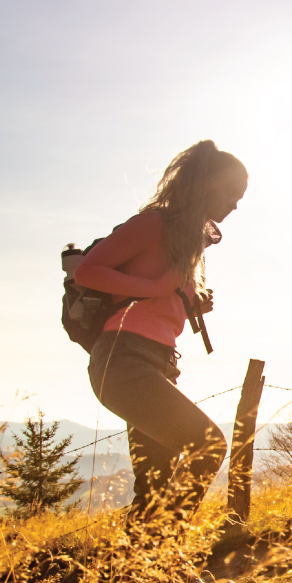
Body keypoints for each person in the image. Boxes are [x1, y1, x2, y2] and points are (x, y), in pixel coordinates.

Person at [75, 140, 248, 525]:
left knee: (154, 489)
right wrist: (156, 289)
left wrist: (191, 301)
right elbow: (87, 270)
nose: (235, 205)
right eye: (231, 193)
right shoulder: (154, 224)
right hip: (122, 359)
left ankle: (142, 578)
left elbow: (160, 295)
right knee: (207, 446)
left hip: (157, 363)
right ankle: (166, 557)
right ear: (206, 182)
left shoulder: (190, 244)